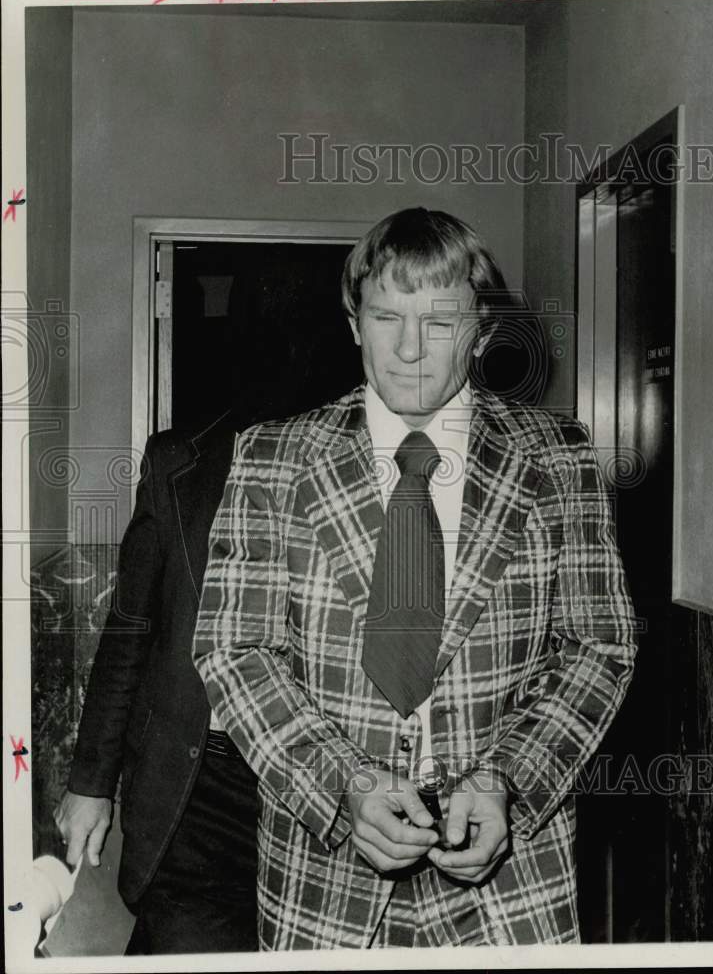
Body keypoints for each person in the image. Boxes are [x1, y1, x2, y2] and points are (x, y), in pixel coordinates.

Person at [192, 207, 637, 949]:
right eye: (385, 317)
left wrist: (508, 782)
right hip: (324, 880)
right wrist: (343, 785)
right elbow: (235, 653)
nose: (407, 350)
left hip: (511, 882)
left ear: (484, 330)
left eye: (438, 324)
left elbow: (599, 648)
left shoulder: (560, 456)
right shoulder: (272, 457)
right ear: (353, 321)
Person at [54, 413, 259, 954]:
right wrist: (91, 782)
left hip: (317, 792)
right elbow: (129, 633)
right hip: (196, 787)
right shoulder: (181, 459)